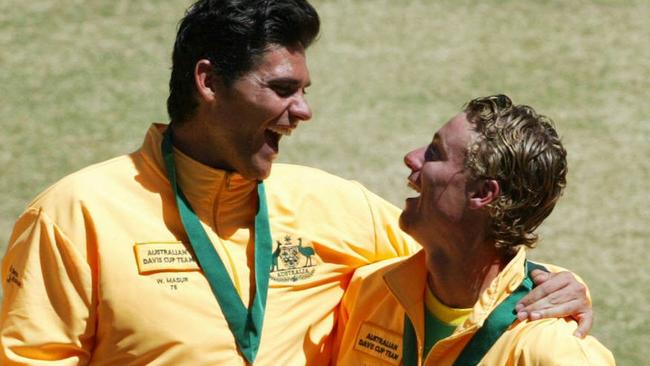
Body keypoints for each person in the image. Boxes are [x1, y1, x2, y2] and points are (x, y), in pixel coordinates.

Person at [0, 1, 591, 365]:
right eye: (283, 89)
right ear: (209, 82)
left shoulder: (331, 206)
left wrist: (560, 286)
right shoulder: (75, 215)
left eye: (304, 91)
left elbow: (470, 256)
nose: (303, 111)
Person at [334, 95, 615, 365]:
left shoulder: (548, 349)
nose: (411, 158)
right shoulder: (371, 291)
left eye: (435, 153)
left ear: (482, 193)